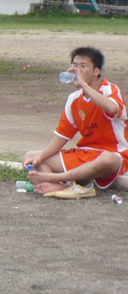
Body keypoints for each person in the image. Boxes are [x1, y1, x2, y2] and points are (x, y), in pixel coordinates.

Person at [24, 47, 128, 198]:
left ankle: (52, 178)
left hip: (113, 155)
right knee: (30, 156)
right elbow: (62, 136)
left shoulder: (109, 90)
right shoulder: (74, 99)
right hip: (85, 153)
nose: (77, 70)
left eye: (83, 66)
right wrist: (40, 158)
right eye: (75, 65)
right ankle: (64, 185)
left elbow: (112, 108)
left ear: (96, 71)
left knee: (108, 159)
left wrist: (84, 85)